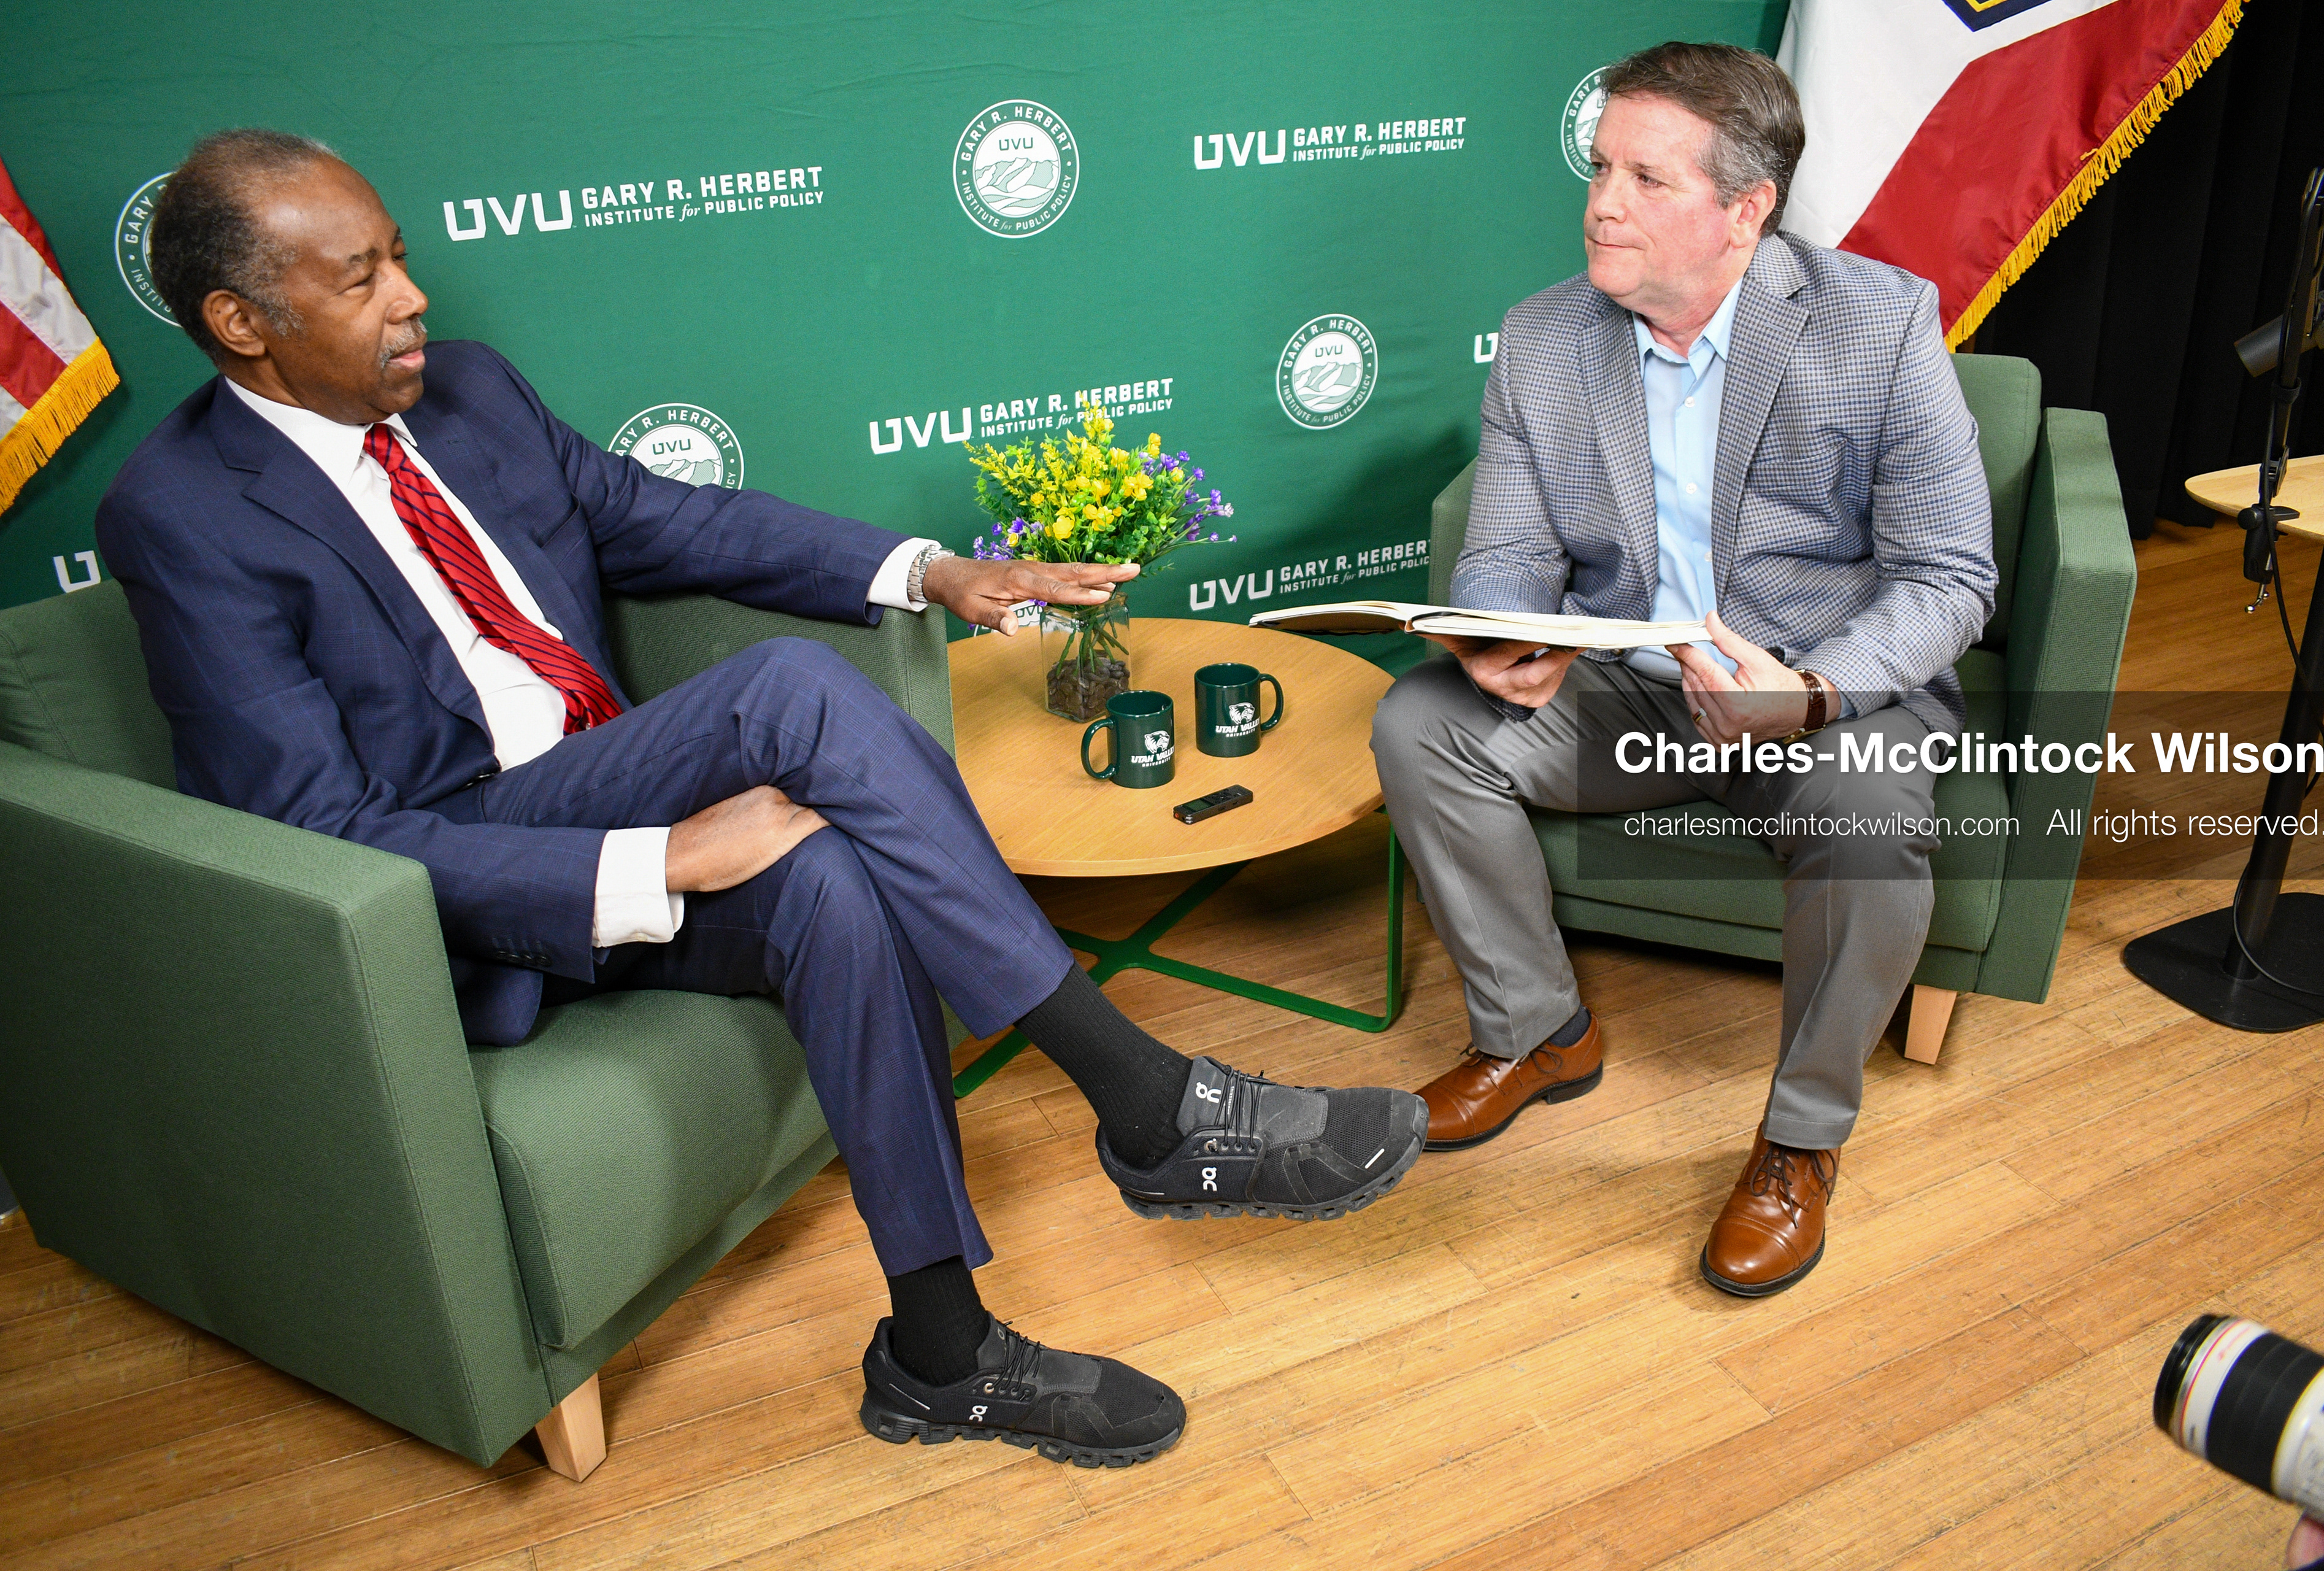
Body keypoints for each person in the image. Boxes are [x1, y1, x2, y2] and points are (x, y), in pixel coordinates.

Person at [101, 129, 1427, 1468]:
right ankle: (1147, 1102)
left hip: (592, 786)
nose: (412, 297)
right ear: (241, 322)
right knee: (786, 689)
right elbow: (331, 832)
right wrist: (666, 856)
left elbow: (673, 521)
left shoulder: (470, 395)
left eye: (400, 258)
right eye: (361, 277)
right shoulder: (184, 514)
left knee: (830, 883)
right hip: (461, 867)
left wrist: (933, 571)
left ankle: (939, 1350)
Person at [1372, 43, 1996, 1297]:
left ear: (1744, 210)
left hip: (1819, 691)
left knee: (1871, 816)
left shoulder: (1879, 325)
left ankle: (1800, 1142)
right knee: (1419, 724)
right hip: (1629, 685)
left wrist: (1811, 691)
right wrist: (1507, 634)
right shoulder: (1546, 336)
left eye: (1647, 178)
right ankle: (1539, 1031)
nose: (1601, 201)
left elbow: (1949, 577)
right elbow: (1503, 542)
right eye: (1602, 168)